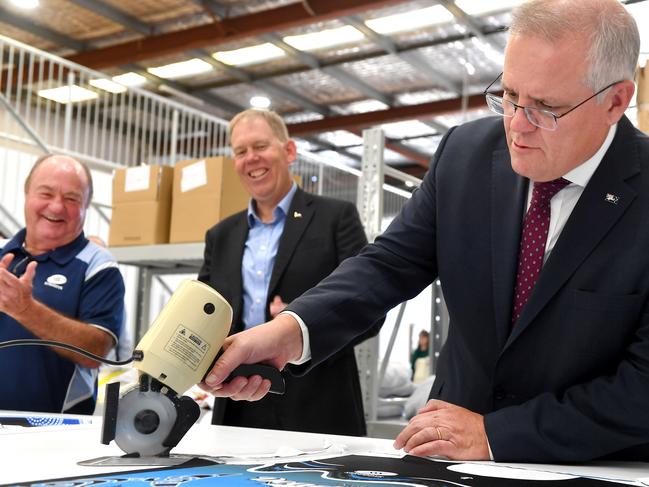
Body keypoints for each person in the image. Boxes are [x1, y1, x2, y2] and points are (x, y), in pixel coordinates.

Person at [200, 0, 649, 462]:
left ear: (615, 100)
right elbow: (390, 263)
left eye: (545, 108)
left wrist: (496, 435)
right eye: (509, 95)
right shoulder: (466, 155)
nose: (516, 126)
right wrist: (292, 329)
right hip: (449, 458)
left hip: (599, 465)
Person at [198, 109, 379, 435]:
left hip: (317, 406)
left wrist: (299, 324)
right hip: (236, 406)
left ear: (289, 151)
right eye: (240, 151)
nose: (251, 158)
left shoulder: (335, 218)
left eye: (260, 146)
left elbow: (369, 309)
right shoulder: (220, 236)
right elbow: (202, 314)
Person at [0, 154, 125, 414]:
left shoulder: (99, 266)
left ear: (86, 207)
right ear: (26, 195)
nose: (56, 207)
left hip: (56, 431)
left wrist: (26, 309)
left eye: (71, 198)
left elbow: (95, 351)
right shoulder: (2, 255)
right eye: (46, 193)